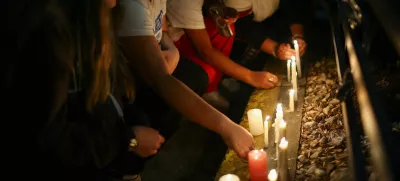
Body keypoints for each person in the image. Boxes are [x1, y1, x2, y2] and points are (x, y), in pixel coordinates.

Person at [5, 0, 162, 180]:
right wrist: (129, 140)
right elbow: (48, 138)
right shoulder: (51, 31)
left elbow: (107, 87)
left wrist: (130, 123)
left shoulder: (91, 18)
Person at [117, 0, 254, 165]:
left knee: (196, 77)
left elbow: (162, 29)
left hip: (163, 54)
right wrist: (227, 128)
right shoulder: (132, 7)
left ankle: (162, 130)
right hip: (128, 73)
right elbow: (160, 78)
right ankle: (130, 162)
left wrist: (172, 51)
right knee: (163, 97)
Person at [166, 0, 280, 110]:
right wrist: (251, 76)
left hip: (190, 30)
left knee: (226, 27)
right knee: (206, 72)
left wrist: (220, 10)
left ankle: (217, 80)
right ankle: (207, 92)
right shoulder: (185, 2)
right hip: (173, 43)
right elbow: (205, 51)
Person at [231, 0, 308, 62]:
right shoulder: (237, 3)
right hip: (245, 38)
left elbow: (292, 7)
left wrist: (298, 36)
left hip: (276, 20)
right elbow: (244, 27)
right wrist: (275, 48)